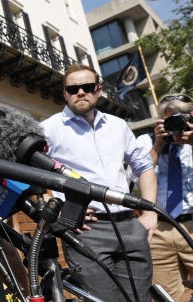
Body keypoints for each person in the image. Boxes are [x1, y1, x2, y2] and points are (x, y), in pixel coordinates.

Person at [39, 63, 157, 302]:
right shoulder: (48, 129)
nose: (80, 92)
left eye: (87, 87)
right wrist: (60, 212)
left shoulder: (118, 125)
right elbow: (34, 175)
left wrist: (149, 212)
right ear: (65, 93)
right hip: (87, 230)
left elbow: (144, 166)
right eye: (73, 89)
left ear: (98, 90)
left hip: (130, 226)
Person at [144, 93, 193, 302]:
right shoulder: (147, 142)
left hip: (192, 224)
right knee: (167, 295)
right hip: (160, 229)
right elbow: (134, 174)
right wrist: (157, 144)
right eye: (169, 119)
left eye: (180, 118)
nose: (176, 124)